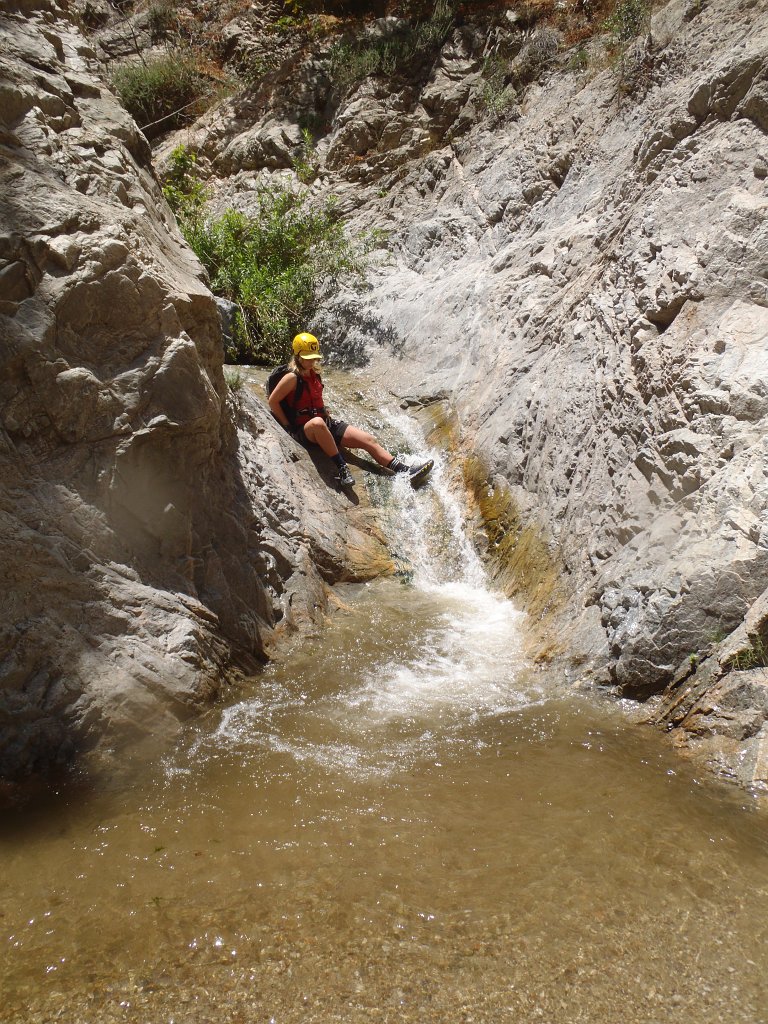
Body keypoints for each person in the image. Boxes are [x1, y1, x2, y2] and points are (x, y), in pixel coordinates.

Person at [268, 332, 434, 488]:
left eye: (314, 358)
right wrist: (288, 428)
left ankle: (404, 470)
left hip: (325, 424)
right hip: (305, 430)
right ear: (297, 356)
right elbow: (273, 401)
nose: (312, 362)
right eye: (308, 359)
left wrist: (323, 410)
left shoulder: (314, 374)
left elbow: (314, 399)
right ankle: (342, 468)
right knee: (318, 423)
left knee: (368, 439)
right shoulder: (291, 378)